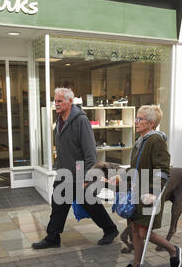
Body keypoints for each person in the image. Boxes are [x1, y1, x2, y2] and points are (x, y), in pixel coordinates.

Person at [32, 87, 119, 249]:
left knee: (90, 203)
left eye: (59, 101)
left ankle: (110, 230)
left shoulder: (81, 121)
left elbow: (90, 153)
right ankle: (53, 237)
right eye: (55, 101)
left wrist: (87, 178)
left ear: (70, 102)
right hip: (64, 172)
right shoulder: (59, 120)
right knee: (58, 203)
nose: (56, 104)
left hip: (79, 173)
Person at [109, 105, 182, 267]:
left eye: (140, 119)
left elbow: (163, 169)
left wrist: (153, 193)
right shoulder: (140, 140)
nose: (136, 122)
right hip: (136, 192)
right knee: (134, 228)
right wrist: (121, 176)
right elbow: (135, 168)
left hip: (148, 194)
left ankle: (173, 250)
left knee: (143, 232)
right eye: (137, 118)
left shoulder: (155, 141)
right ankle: (136, 265)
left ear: (151, 123)